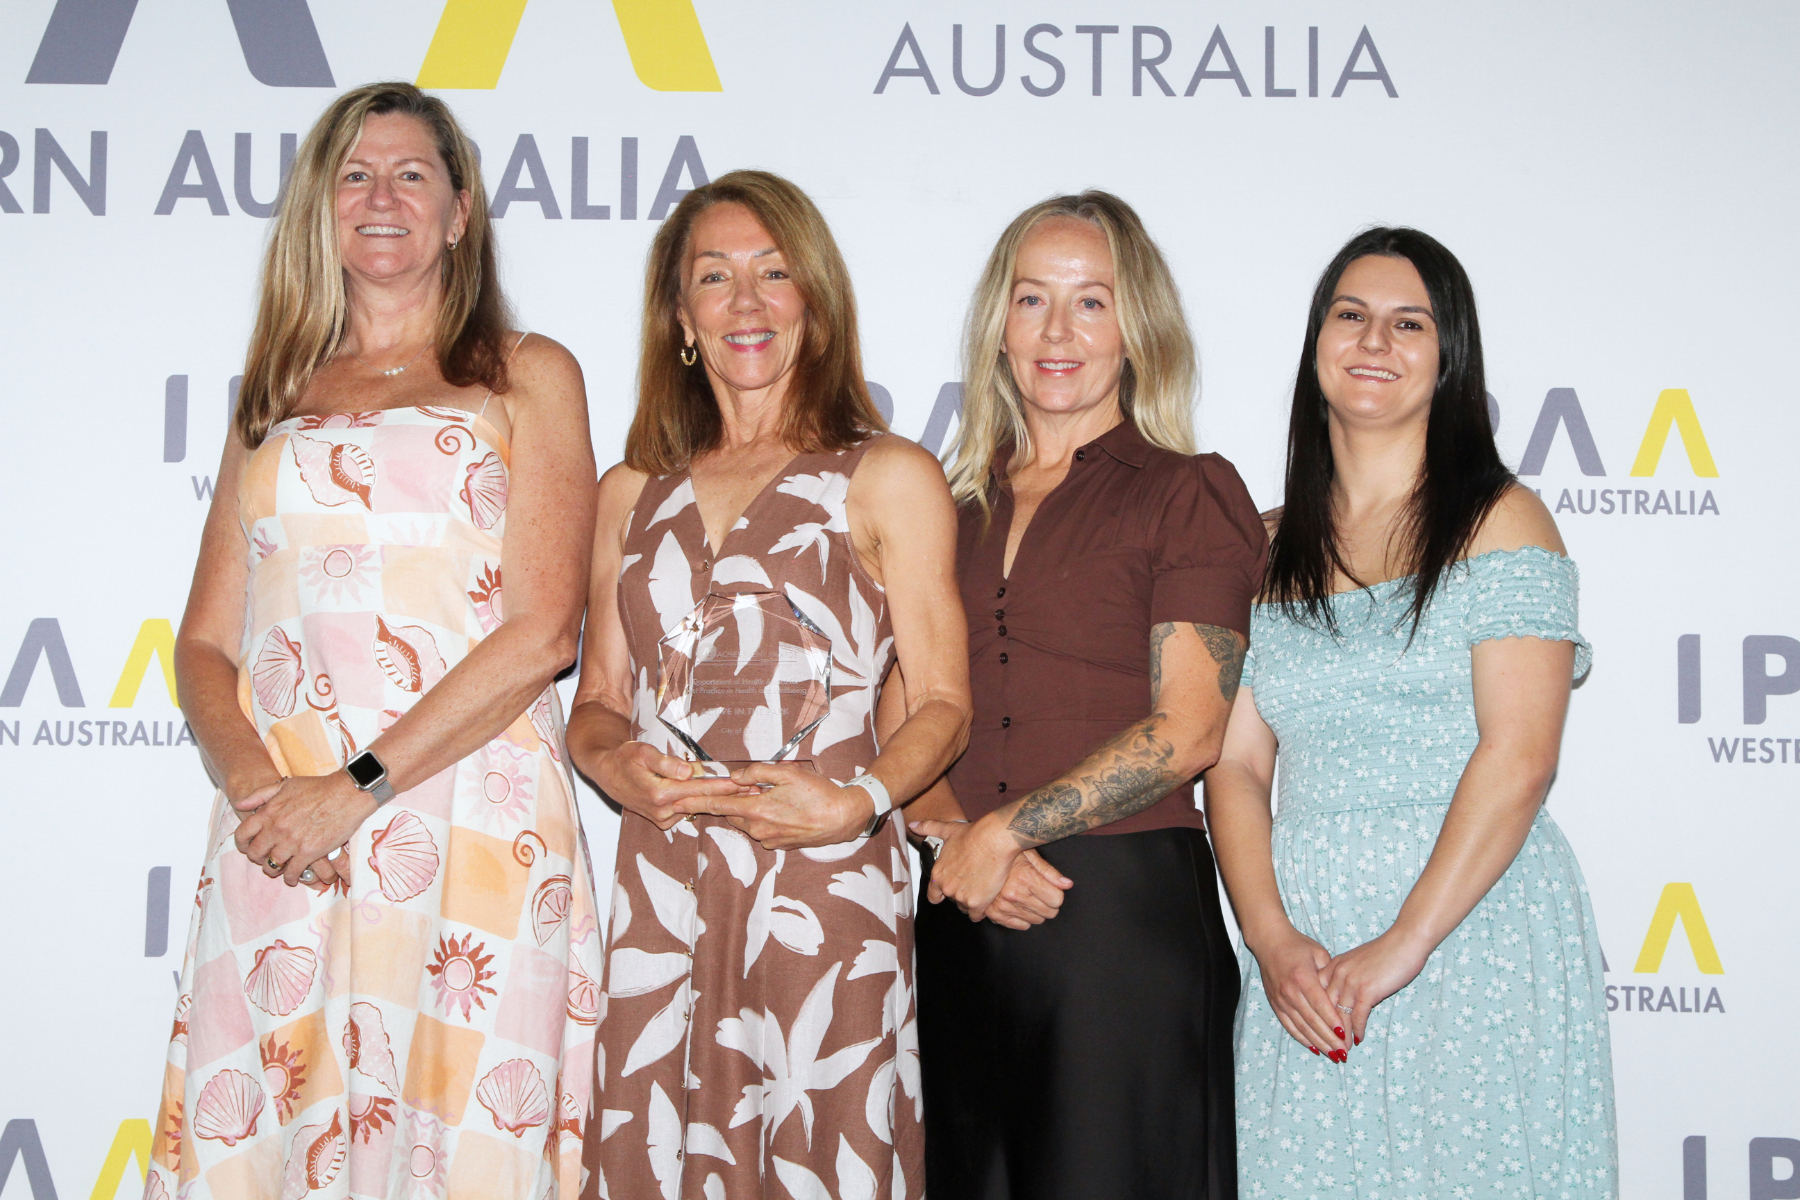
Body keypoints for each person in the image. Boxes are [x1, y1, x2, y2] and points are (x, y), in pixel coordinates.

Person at [146, 82, 603, 1198]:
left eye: (411, 174)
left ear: (460, 212)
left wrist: (354, 789)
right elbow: (204, 645)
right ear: (323, 207)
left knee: (465, 1150)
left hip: (473, 819)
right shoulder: (273, 393)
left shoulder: (527, 374)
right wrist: (263, 795)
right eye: (355, 175)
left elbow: (545, 631)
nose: (381, 197)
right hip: (283, 833)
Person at [567, 169, 971, 1200]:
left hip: (823, 881)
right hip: (664, 885)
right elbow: (598, 700)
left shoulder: (887, 476)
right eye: (715, 277)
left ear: (815, 304)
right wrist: (618, 768)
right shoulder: (628, 493)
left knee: (823, 1154)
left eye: (774, 273)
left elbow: (943, 705)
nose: (745, 302)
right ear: (680, 317)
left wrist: (857, 803)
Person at [1206, 228, 1618, 1197]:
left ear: (1448, 358)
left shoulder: (1501, 522)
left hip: (1470, 931)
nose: (1373, 342)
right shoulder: (1262, 547)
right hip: (1305, 957)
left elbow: (1520, 755)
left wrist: (1404, 944)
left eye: (1409, 324)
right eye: (1350, 315)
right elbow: (1236, 766)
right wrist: (1270, 940)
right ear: (1317, 344)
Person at [906, 191, 1265, 1200]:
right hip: (959, 907)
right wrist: (956, 842)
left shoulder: (1188, 491)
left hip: (1118, 918)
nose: (1057, 331)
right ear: (999, 326)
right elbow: (906, 711)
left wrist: (1004, 833)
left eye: (1091, 302)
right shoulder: (943, 508)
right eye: (1032, 300)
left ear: (1136, 328)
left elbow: (1190, 730)